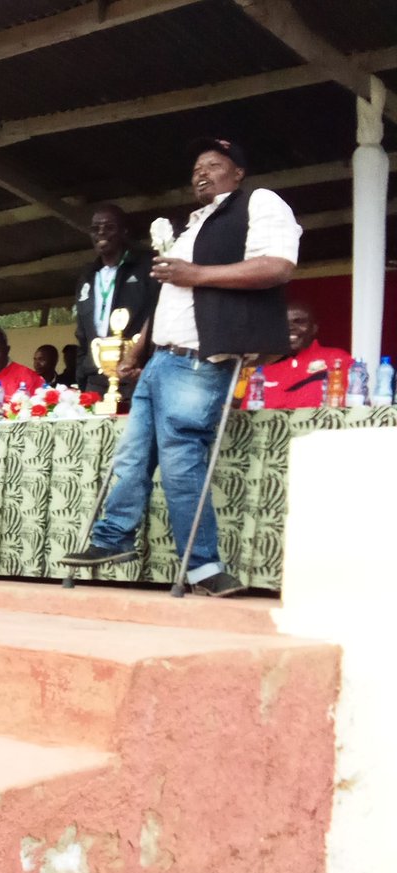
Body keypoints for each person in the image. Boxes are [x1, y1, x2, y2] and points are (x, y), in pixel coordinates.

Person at [62, 138, 300, 598]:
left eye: (213, 165)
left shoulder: (260, 203)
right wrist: (139, 347)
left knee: (181, 463)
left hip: (200, 360)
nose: (201, 174)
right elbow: (176, 294)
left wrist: (199, 275)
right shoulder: (192, 227)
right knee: (130, 457)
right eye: (196, 168)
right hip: (161, 359)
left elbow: (278, 266)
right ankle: (114, 539)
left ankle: (203, 567)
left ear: (238, 173)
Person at [73, 204, 157, 403]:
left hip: (135, 374)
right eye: (95, 228)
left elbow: (158, 316)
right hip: (95, 378)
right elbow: (82, 333)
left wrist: (146, 364)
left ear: (123, 231)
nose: (101, 233)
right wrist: (83, 371)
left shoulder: (146, 267)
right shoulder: (87, 276)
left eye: (109, 227)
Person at [261, 301, 349, 408]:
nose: (290, 327)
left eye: (299, 321)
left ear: (314, 328)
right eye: (283, 323)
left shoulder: (337, 359)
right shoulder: (262, 366)